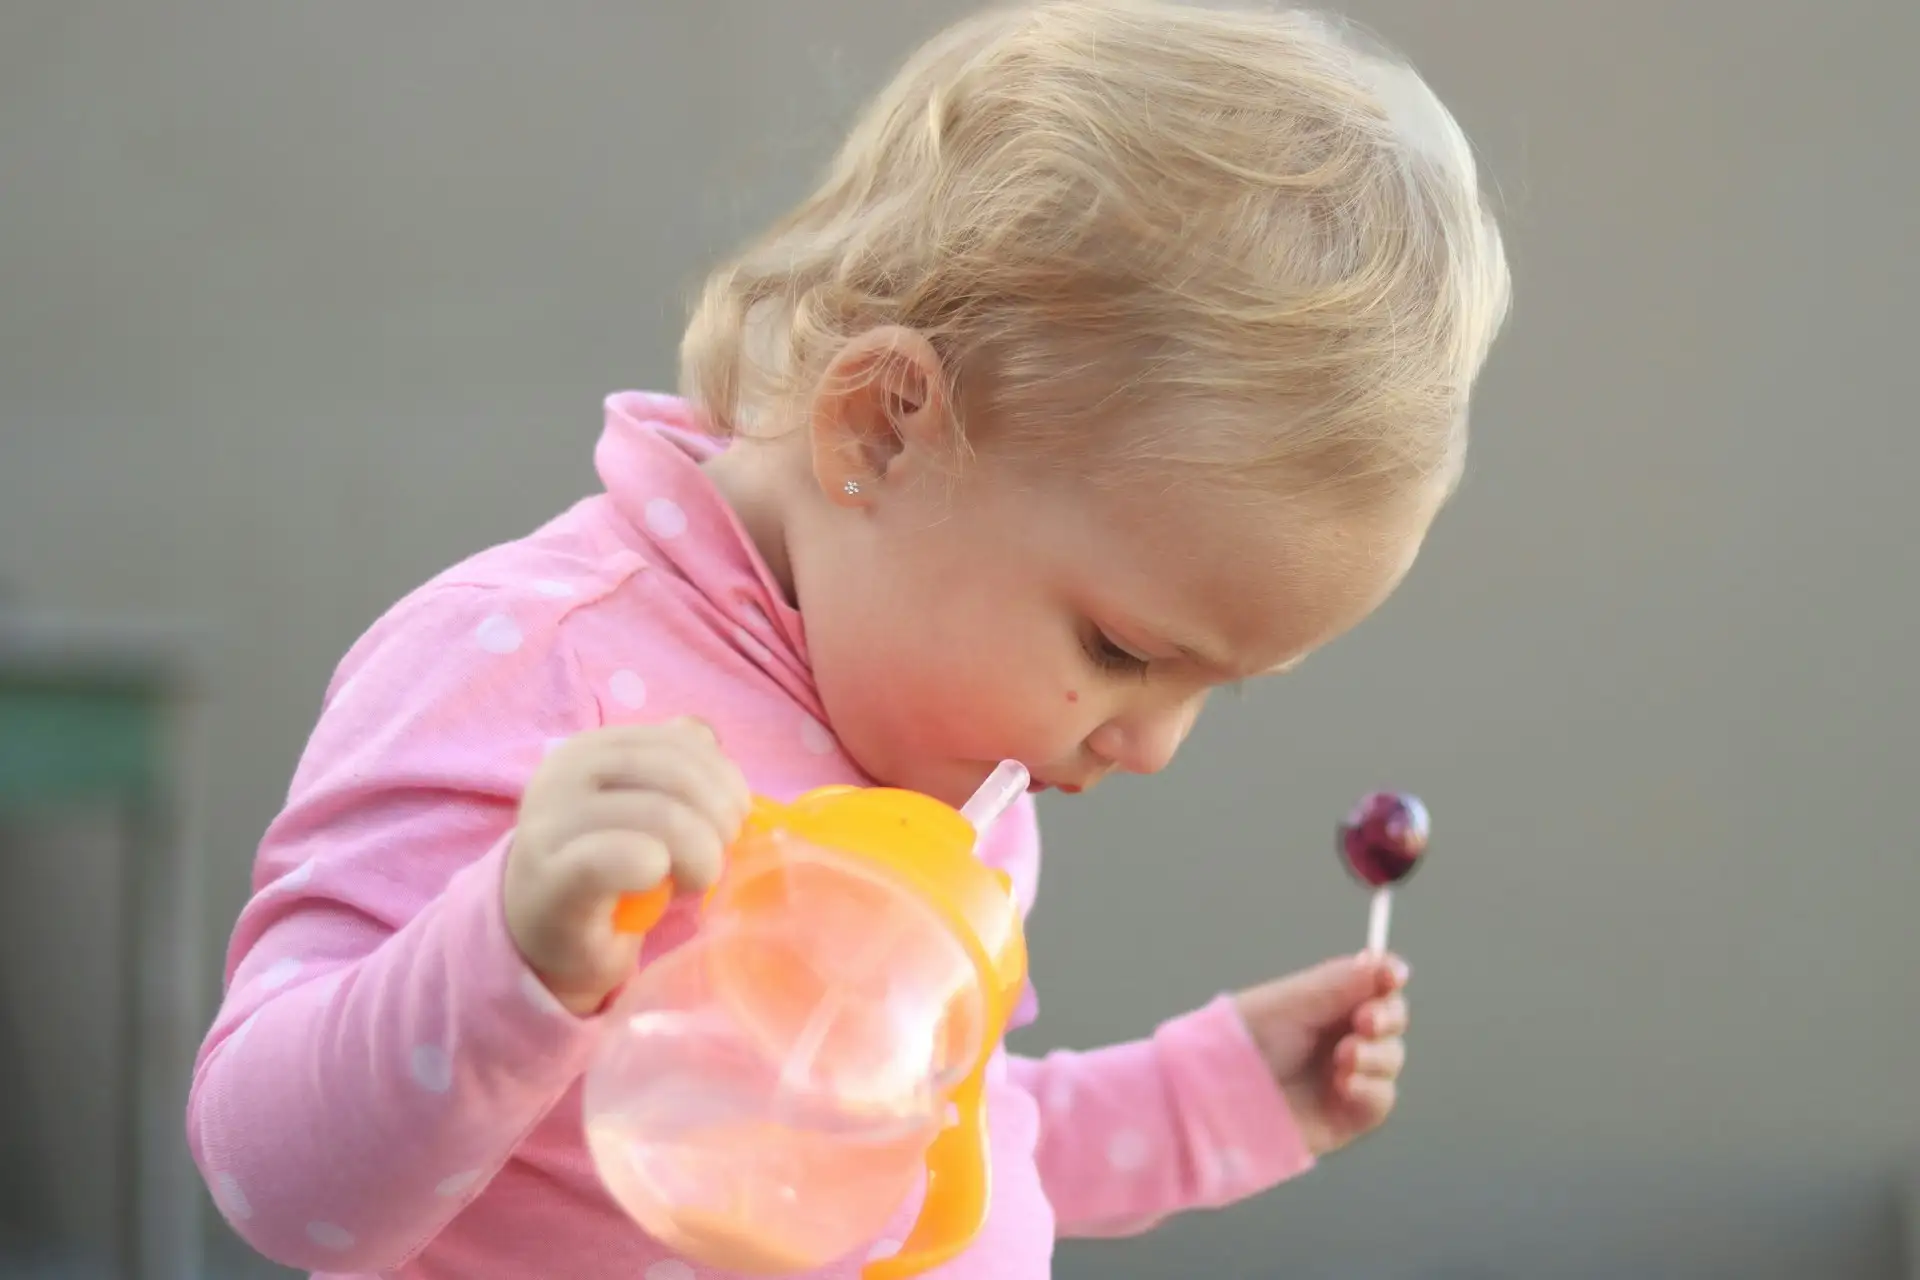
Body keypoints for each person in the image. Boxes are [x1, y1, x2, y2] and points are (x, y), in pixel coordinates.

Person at [186, 2, 1510, 1276]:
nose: (1154, 746)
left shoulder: (948, 749)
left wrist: (1200, 1103)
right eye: (1120, 647)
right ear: (881, 425)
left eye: (1222, 687)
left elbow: (880, 1154)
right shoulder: (533, 670)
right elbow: (277, 1184)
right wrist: (509, 959)